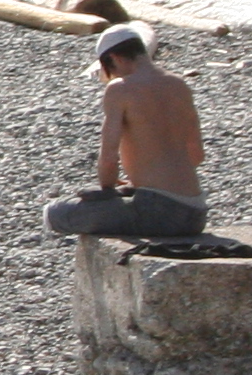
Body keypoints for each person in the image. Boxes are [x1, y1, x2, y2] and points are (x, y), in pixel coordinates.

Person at [45, 25, 209, 240]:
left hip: (158, 213)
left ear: (116, 58)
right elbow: (196, 155)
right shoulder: (179, 85)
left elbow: (109, 158)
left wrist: (107, 190)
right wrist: (144, 183)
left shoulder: (121, 89)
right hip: (196, 213)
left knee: (56, 213)